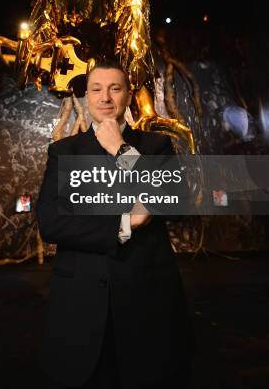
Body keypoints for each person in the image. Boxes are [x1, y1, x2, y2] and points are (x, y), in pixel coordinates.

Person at [36, 60, 194, 389]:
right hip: (79, 304)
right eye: (96, 89)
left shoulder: (155, 147)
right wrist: (125, 224)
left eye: (115, 88)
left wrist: (120, 150)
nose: (105, 97)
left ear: (129, 95)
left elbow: (175, 203)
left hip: (147, 301)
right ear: (86, 97)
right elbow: (51, 223)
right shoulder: (64, 152)